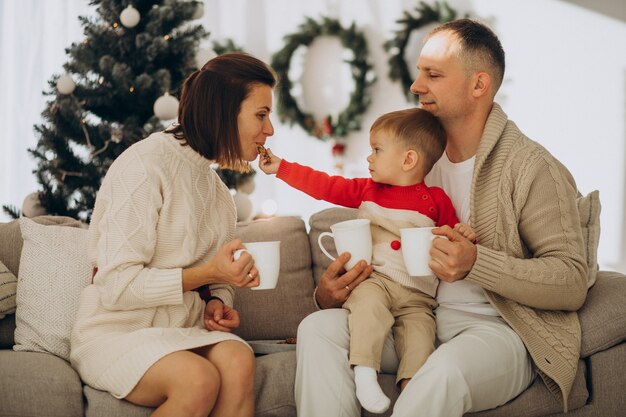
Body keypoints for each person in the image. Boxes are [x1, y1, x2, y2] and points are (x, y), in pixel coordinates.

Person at [294, 18, 588, 417]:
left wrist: (476, 263)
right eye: (419, 73)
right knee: (317, 329)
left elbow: (570, 281)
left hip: (497, 332)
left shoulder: (532, 167)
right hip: (416, 319)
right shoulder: (414, 160)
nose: (416, 86)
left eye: (432, 74)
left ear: (478, 85)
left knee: (443, 372)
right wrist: (329, 295)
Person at [70, 52, 277, 417]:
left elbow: (218, 279)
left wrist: (218, 302)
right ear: (225, 112)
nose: (270, 130)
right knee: (196, 379)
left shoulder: (217, 194)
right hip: (116, 333)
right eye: (261, 115)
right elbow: (116, 286)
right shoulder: (145, 165)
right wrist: (210, 274)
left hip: (180, 332)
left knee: (238, 357)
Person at [259, 108, 475, 413]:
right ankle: (364, 371)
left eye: (377, 149)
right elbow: (324, 185)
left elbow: (452, 237)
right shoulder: (367, 191)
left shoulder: (436, 200)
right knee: (368, 309)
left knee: (421, 336)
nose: (369, 157)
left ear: (408, 159)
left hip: (419, 297)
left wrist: (463, 234)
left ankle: (412, 390)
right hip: (376, 281)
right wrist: (282, 167)